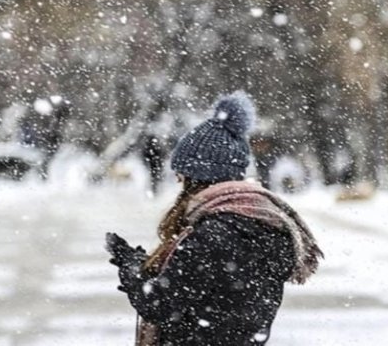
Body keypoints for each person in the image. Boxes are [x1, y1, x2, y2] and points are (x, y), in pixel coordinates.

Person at [105, 92, 323, 346]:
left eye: (183, 174)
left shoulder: (213, 235)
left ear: (199, 176)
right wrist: (143, 265)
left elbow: (160, 304)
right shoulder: (263, 223)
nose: (178, 180)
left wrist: (130, 267)